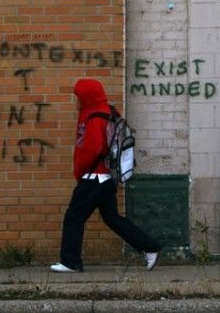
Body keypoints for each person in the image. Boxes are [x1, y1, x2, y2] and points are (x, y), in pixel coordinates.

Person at [50, 78, 161, 273]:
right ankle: (150, 247)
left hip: (94, 177)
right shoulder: (108, 111)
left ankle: (70, 262)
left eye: (78, 97)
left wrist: (80, 172)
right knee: (112, 218)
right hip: (108, 177)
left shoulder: (94, 116)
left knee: (74, 217)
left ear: (87, 97)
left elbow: (92, 149)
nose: (76, 101)